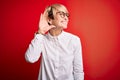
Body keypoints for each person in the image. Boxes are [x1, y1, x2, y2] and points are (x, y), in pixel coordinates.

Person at [25, 3, 84, 80]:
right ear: (50, 19)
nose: (66, 18)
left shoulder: (74, 40)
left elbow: (78, 71)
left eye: (67, 15)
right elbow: (30, 58)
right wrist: (40, 32)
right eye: (62, 14)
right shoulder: (41, 39)